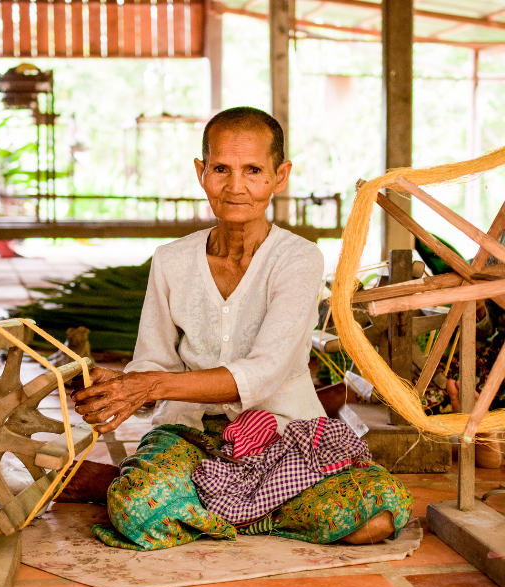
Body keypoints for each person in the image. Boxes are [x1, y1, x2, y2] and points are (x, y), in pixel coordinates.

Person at [69, 107, 412, 551]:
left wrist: (148, 385)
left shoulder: (299, 259)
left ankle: (196, 502)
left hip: (284, 435)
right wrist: (122, 388)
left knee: (377, 514)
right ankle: (248, 504)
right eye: (221, 169)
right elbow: (152, 361)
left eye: (253, 171)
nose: (235, 187)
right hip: (188, 432)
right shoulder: (171, 260)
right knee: (136, 507)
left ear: (279, 175)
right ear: (201, 171)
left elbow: (265, 372)